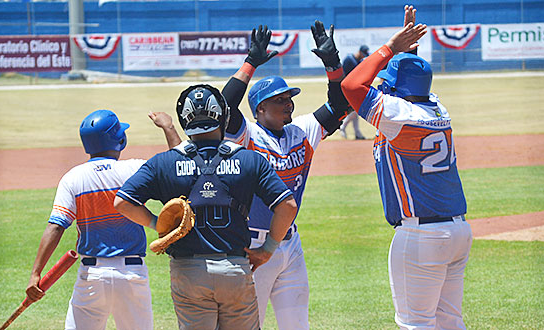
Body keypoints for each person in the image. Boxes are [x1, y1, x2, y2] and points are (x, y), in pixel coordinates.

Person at [113, 84, 298, 330]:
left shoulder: (163, 162)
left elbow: (122, 202)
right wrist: (268, 249)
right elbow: (287, 205)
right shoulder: (249, 159)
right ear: (223, 116)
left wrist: (158, 224)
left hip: (188, 271)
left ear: (184, 120)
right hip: (234, 267)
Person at [341, 6, 473, 329]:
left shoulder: (399, 114)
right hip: (457, 231)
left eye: (387, 82)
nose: (381, 87)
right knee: (449, 322)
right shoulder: (436, 107)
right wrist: (408, 54)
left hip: (421, 235)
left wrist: (391, 49)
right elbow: (413, 84)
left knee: (416, 323)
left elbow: (351, 86)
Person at [220, 23, 351, 329]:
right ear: (260, 108)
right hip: (251, 248)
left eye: (289, 98)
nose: (288, 103)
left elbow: (341, 105)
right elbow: (225, 106)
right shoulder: (245, 135)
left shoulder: (302, 131)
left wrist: (332, 65)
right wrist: (250, 62)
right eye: (279, 99)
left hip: (290, 246)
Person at [25, 109, 182, 330]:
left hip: (91, 277)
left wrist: (36, 274)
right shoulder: (134, 169)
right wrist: (168, 127)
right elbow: (181, 165)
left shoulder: (73, 178)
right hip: (132, 275)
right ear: (120, 139)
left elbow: (56, 227)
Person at [339, 44, 370, 140]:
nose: (364, 56)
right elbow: (343, 75)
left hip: (355, 89)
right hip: (347, 88)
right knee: (355, 110)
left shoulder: (359, 61)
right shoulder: (349, 60)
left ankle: (357, 133)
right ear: (359, 52)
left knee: (355, 110)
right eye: (363, 54)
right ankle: (343, 126)